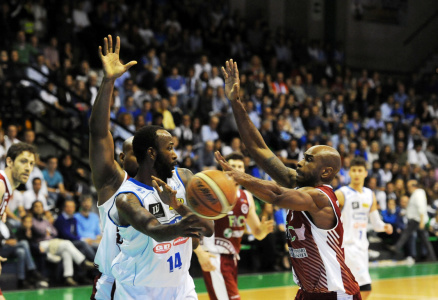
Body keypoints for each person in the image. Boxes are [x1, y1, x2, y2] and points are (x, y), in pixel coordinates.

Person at [220, 59, 361, 299]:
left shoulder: (320, 197)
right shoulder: (299, 182)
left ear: (325, 172)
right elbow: (260, 150)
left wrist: (239, 177)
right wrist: (235, 102)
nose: (299, 162)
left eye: (307, 160)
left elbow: (277, 195)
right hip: (307, 292)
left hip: (335, 293)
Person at [108, 125, 214, 300]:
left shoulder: (184, 178)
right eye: (169, 148)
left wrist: (178, 206)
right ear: (151, 153)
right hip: (139, 289)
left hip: (181, 286)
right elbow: (154, 230)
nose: (175, 154)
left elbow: (208, 228)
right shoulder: (127, 198)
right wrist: (184, 226)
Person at [89, 35, 137, 300]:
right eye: (134, 151)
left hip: (152, 282)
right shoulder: (114, 183)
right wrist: (108, 81)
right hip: (114, 283)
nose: (142, 156)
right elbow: (98, 133)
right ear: (121, 158)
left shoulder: (167, 187)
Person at [194, 152, 274, 300]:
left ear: (243, 171)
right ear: (225, 169)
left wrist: (263, 230)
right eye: (233, 166)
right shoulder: (211, 194)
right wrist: (200, 253)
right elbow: (190, 224)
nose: (236, 169)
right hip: (215, 257)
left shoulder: (246, 197)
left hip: (232, 258)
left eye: (239, 166)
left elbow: (257, 232)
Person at [334, 157, 393, 300]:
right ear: (349, 173)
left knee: (352, 290)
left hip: (362, 249)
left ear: (365, 173)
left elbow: (376, 224)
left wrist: (385, 226)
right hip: (347, 247)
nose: (356, 174)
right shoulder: (342, 194)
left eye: (360, 171)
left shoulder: (369, 194)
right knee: (365, 288)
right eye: (354, 170)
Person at [389, 180, 437, 261]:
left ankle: (397, 247)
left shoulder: (418, 193)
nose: (408, 189)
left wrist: (422, 221)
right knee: (424, 240)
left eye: (409, 187)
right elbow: (413, 208)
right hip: (416, 219)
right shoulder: (416, 194)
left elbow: (421, 207)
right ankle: (432, 257)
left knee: (407, 234)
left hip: (417, 220)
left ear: (414, 186)